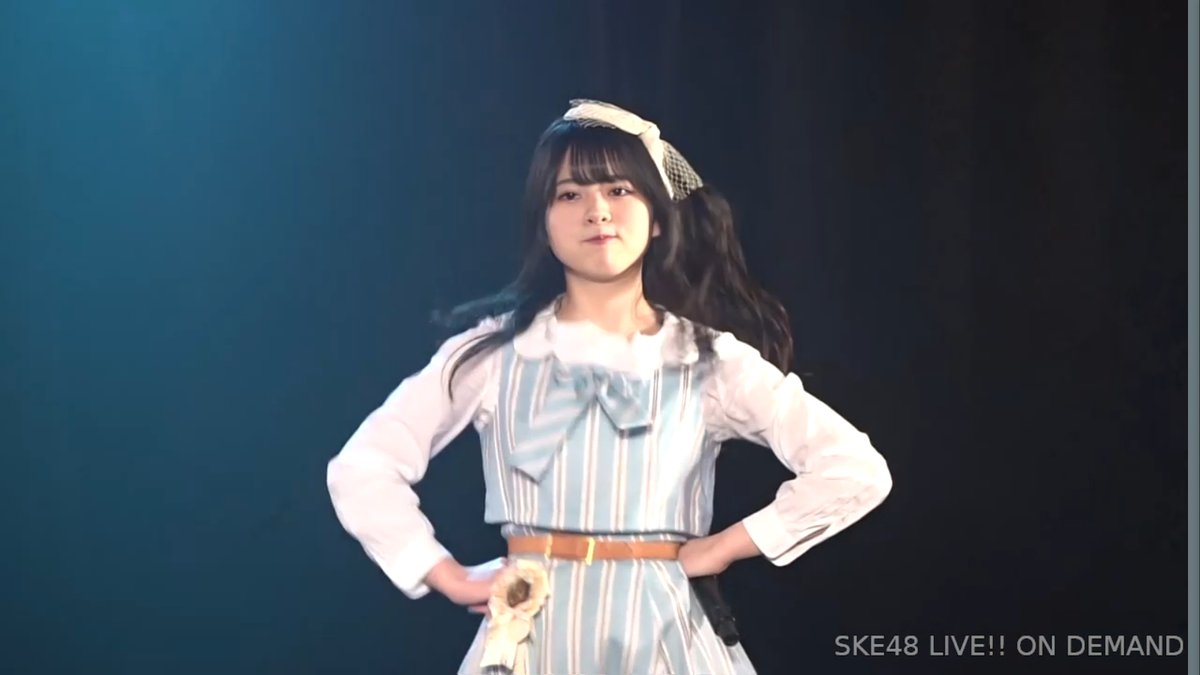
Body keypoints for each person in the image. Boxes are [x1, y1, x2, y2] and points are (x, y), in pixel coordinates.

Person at [326, 99, 893, 675]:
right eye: (569, 194)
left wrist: (722, 547)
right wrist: (441, 571)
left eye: (619, 190)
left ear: (657, 217)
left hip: (667, 637)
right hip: (531, 634)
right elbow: (363, 466)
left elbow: (852, 469)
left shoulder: (707, 359)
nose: (597, 211)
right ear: (543, 222)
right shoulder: (496, 352)